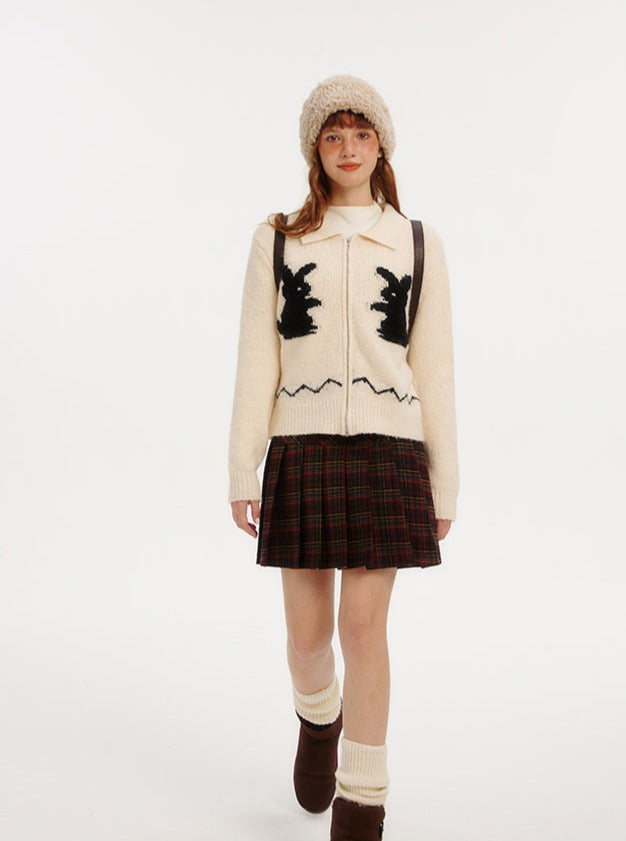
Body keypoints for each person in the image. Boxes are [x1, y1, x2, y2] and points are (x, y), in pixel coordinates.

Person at [227, 73, 459, 840]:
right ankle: (318, 717)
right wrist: (243, 466)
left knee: (364, 627)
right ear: (315, 150)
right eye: (334, 135)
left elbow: (435, 370)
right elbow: (256, 360)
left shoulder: (417, 242)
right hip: (302, 446)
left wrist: (444, 482)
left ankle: (363, 796)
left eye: (361, 135)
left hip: (390, 454)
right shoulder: (277, 239)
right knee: (307, 638)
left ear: (381, 146)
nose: (349, 148)